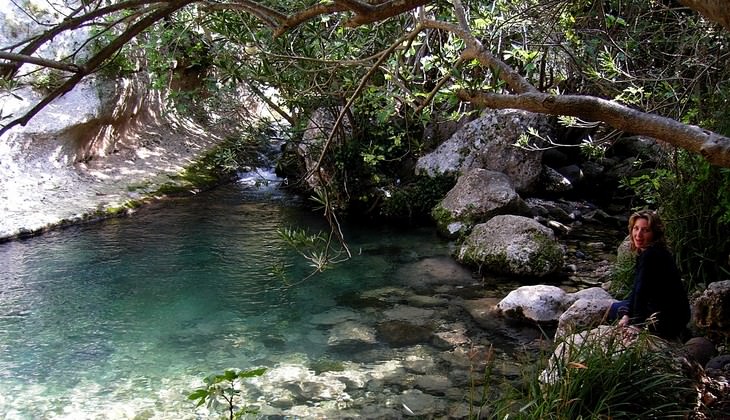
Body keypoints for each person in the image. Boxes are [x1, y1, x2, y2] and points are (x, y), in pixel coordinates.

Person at [607, 210, 691, 340]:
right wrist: (628, 313)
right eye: (636, 228)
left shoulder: (651, 255)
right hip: (675, 315)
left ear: (654, 234)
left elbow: (642, 291)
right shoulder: (656, 251)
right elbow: (637, 287)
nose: (638, 235)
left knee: (612, 310)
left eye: (645, 230)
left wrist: (636, 324)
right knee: (621, 307)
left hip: (666, 319)